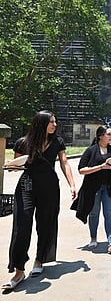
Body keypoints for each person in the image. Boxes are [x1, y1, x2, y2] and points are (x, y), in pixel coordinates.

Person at [1, 111, 76, 290]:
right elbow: (16, 164)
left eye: (55, 122)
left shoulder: (57, 142)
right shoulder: (23, 142)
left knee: (45, 225)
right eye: (51, 122)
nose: (54, 125)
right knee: (21, 226)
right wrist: (11, 166)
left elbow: (64, 162)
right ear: (41, 123)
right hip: (26, 187)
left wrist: (72, 185)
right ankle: (18, 271)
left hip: (49, 187)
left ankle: (39, 260)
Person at [71, 126, 111, 256]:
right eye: (109, 134)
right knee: (94, 214)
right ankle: (93, 238)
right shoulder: (91, 150)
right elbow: (81, 170)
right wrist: (101, 167)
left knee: (110, 214)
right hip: (93, 188)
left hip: (110, 187)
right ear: (100, 136)